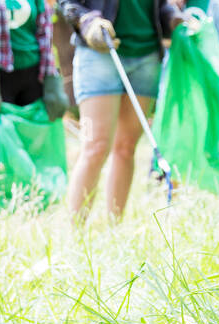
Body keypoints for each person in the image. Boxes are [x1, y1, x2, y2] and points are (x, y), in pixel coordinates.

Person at [58, 0, 186, 221]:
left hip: (146, 56)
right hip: (99, 52)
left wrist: (174, 17)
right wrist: (87, 20)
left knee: (126, 148)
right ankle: (74, 233)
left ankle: (113, 227)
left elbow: (160, 5)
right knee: (95, 147)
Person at [0, 0, 68, 121]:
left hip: (33, 72)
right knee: (1, 131)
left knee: (32, 130)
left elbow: (45, 33)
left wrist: (50, 75)